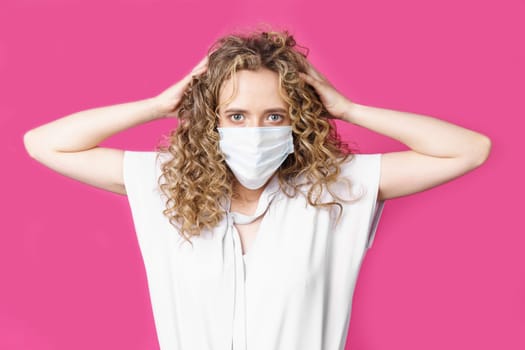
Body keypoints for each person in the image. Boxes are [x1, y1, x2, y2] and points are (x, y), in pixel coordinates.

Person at [23, 29, 491, 350]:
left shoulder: (335, 191)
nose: (255, 129)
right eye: (236, 116)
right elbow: (45, 144)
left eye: (274, 115)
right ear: (213, 122)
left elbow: (468, 149)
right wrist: (158, 105)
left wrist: (349, 109)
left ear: (298, 120)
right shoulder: (164, 186)